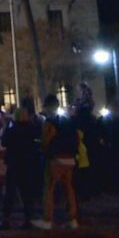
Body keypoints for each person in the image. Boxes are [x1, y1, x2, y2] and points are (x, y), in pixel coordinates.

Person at [34, 95, 79, 230]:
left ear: (47, 107)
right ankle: (73, 219)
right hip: (70, 159)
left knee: (49, 188)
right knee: (69, 188)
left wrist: (43, 148)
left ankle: (47, 220)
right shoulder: (67, 121)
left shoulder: (49, 122)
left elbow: (46, 141)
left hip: (55, 159)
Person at [0, 103, 41, 229]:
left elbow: (4, 141)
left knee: (10, 192)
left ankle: (6, 219)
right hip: (27, 163)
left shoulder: (12, 130)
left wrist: (5, 126)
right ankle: (28, 219)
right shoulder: (31, 129)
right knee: (27, 192)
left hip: (14, 163)